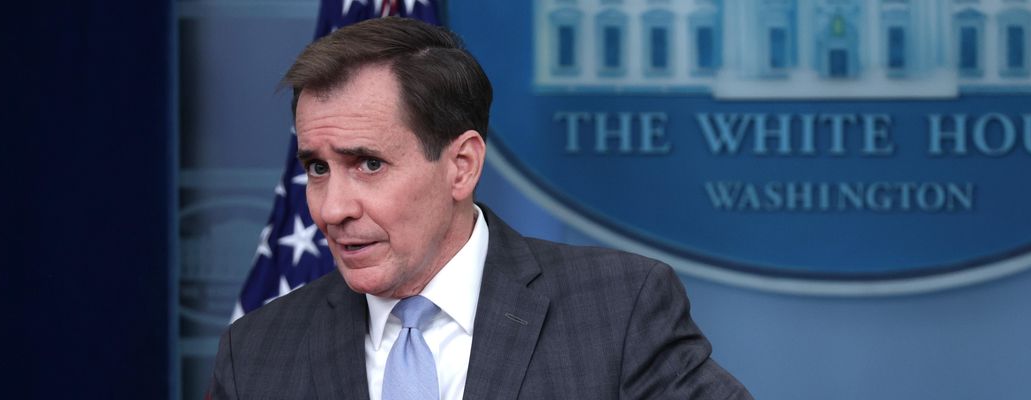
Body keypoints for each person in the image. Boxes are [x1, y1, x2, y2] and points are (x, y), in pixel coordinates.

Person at [210, 17, 753, 400]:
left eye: (369, 164)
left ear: (462, 165)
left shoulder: (618, 310)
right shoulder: (257, 351)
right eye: (317, 168)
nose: (331, 209)